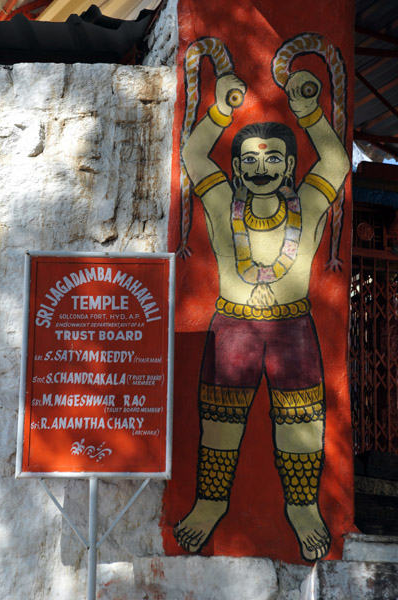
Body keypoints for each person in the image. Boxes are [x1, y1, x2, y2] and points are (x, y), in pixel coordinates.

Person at [173, 70, 350, 561]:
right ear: (235, 169)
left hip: (294, 329)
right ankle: (210, 502)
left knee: (303, 424)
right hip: (233, 326)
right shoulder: (222, 201)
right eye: (249, 160)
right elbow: (192, 155)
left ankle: (302, 509)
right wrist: (221, 110)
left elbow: (335, 162)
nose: (261, 168)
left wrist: (310, 112)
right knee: (220, 423)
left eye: (273, 159)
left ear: (290, 166)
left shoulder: (308, 205)